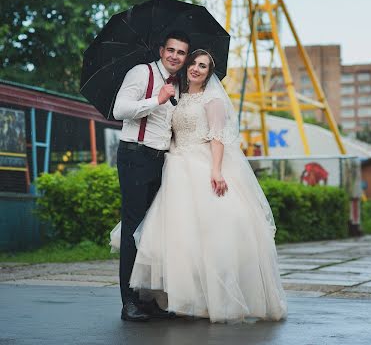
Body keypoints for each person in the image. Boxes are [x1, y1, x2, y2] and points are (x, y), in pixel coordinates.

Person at [111, 49, 287, 323]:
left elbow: (217, 136)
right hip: (174, 165)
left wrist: (216, 171)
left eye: (202, 66)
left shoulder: (213, 99)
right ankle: (170, 298)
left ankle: (213, 299)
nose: (195, 68)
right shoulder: (177, 94)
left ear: (209, 73)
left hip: (200, 165)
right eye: (192, 62)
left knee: (209, 236)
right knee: (177, 238)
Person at [112, 31, 190, 322]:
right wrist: (155, 100)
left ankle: (150, 299)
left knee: (156, 230)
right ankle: (128, 302)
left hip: (162, 161)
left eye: (181, 53)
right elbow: (120, 110)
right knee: (133, 229)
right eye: (171, 50)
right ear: (161, 50)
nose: (175, 56)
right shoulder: (141, 73)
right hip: (135, 154)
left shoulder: (180, 85)